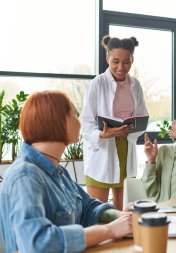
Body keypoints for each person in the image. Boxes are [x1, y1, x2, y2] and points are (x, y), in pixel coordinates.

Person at [0, 91, 133, 253]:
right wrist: (109, 230)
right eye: (74, 116)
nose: (80, 123)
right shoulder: (25, 176)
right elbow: (38, 243)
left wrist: (119, 216)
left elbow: (87, 207)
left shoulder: (58, 171)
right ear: (56, 121)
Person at [80, 35, 148, 210]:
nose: (120, 67)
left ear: (132, 60)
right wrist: (102, 134)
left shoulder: (136, 85)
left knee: (123, 213)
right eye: (115, 61)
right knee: (97, 213)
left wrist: (132, 129)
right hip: (102, 151)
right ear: (107, 58)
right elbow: (86, 123)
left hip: (126, 149)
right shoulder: (97, 83)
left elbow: (142, 116)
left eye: (126, 62)